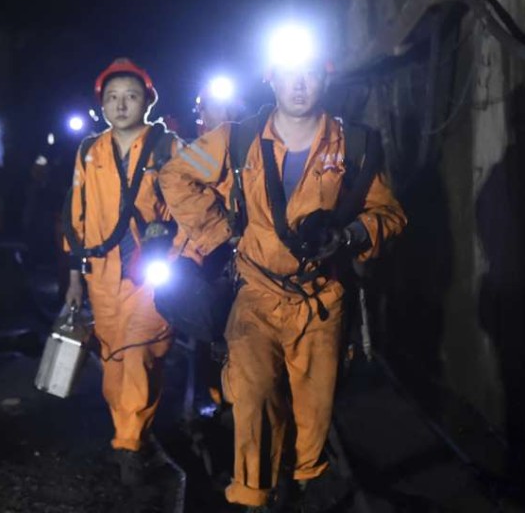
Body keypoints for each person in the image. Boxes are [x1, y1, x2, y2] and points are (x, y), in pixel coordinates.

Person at [159, 31, 407, 511]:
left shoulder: (352, 145)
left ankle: (302, 483)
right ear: (271, 77)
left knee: (313, 415)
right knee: (253, 401)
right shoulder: (239, 138)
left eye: (310, 73)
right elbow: (175, 175)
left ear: (324, 77)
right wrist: (223, 233)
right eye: (289, 74)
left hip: (320, 300)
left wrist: (351, 235)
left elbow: (390, 214)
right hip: (256, 294)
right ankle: (254, 499)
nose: (300, 85)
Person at [63, 57, 190, 486]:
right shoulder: (88, 151)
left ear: (148, 102)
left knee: (138, 351)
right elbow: (75, 218)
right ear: (101, 104)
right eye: (112, 97)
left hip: (151, 272)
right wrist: (74, 278)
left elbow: (193, 203)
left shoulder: (167, 148)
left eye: (131, 96)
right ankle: (129, 432)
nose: (121, 105)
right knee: (114, 360)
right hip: (101, 273)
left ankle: (128, 444)